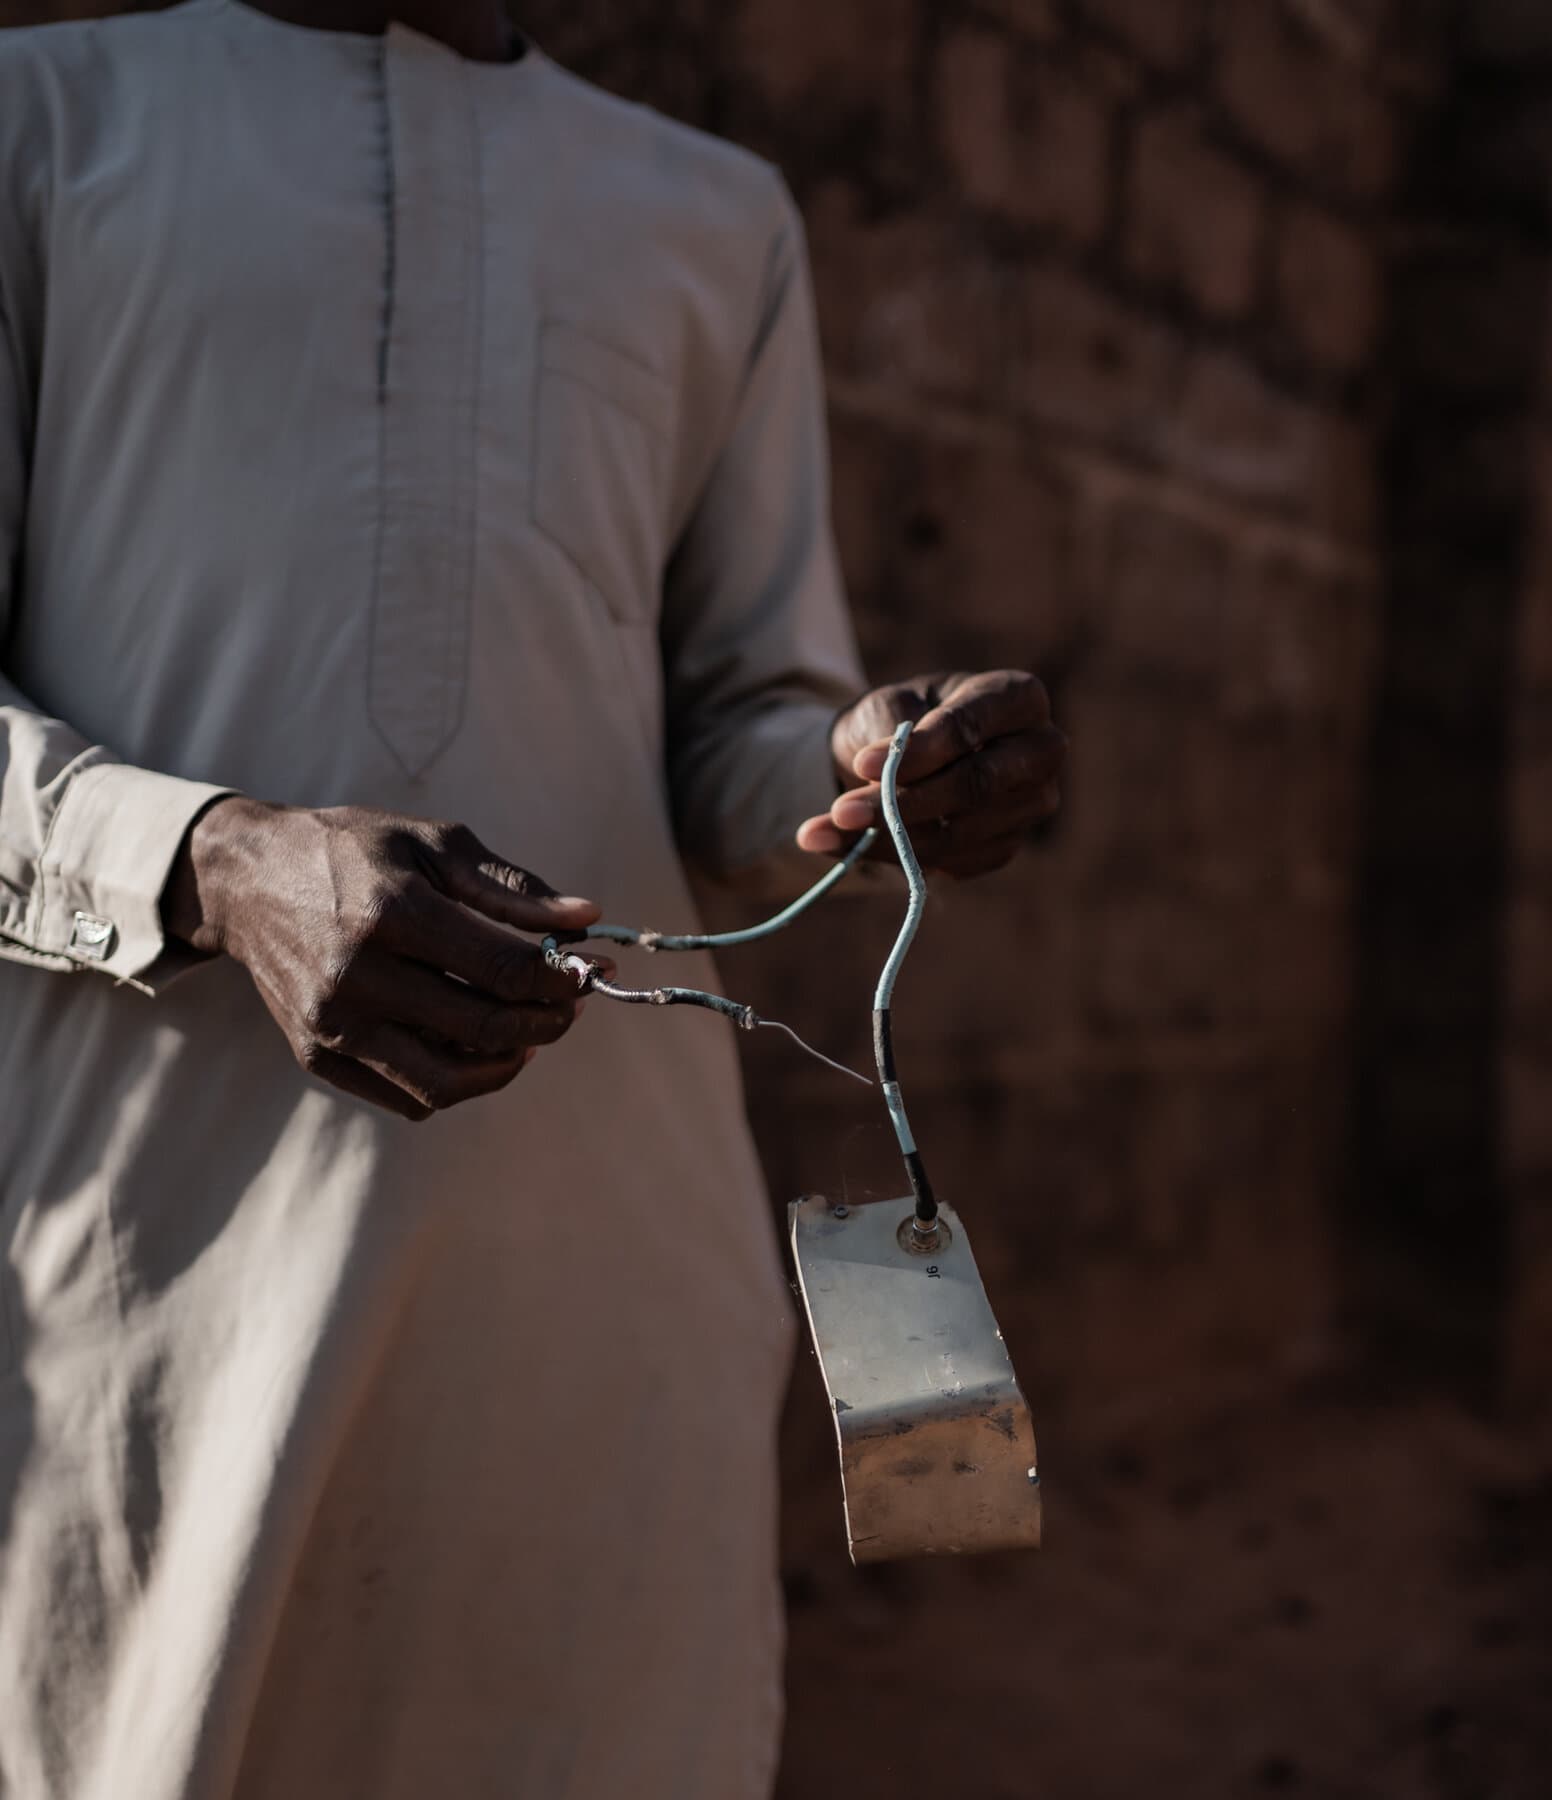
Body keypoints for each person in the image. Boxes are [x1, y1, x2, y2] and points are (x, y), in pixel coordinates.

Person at [0, 2, 1065, 1793]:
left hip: (606, 1287)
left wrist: (863, 773)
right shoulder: (42, 121)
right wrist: (208, 857)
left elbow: (743, 728)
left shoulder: (717, 219)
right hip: (156, 1271)